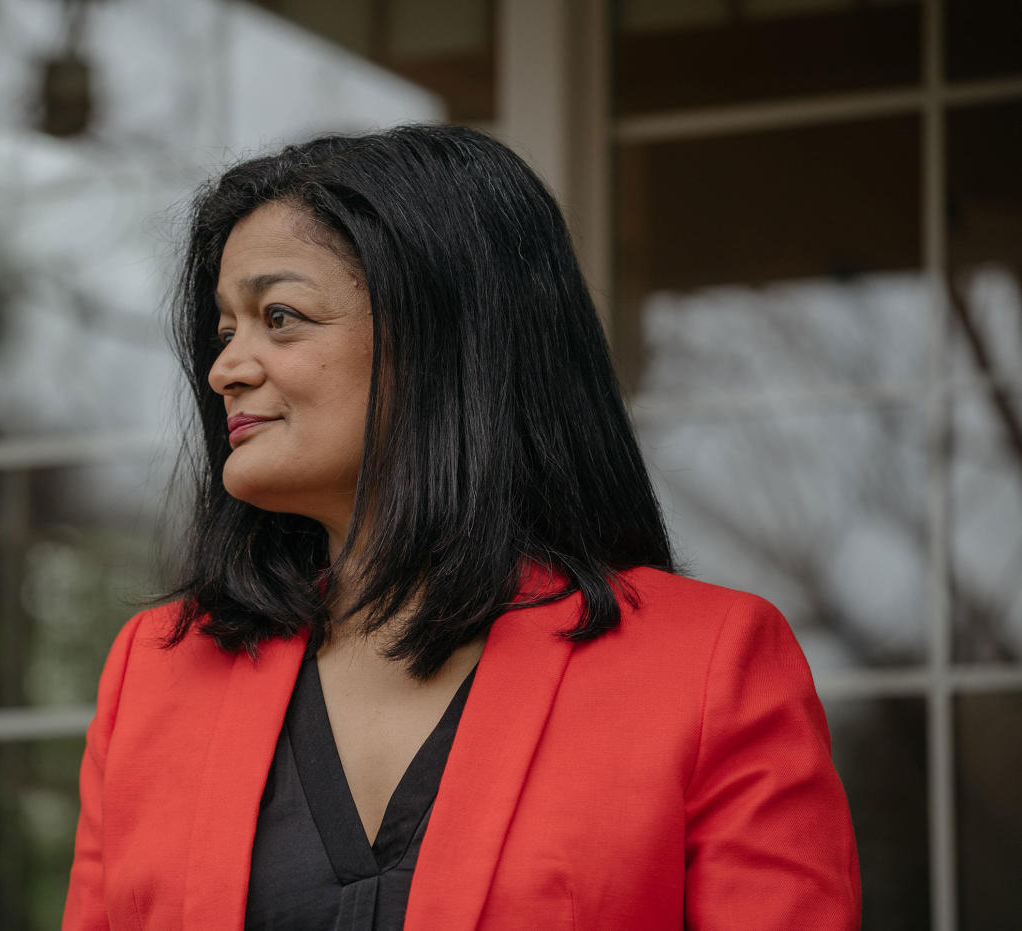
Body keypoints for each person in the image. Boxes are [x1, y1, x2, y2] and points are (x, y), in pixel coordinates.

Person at [62, 124, 860, 930]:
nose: (224, 368)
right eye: (226, 328)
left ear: (442, 335)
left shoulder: (708, 666)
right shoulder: (156, 673)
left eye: (281, 316)